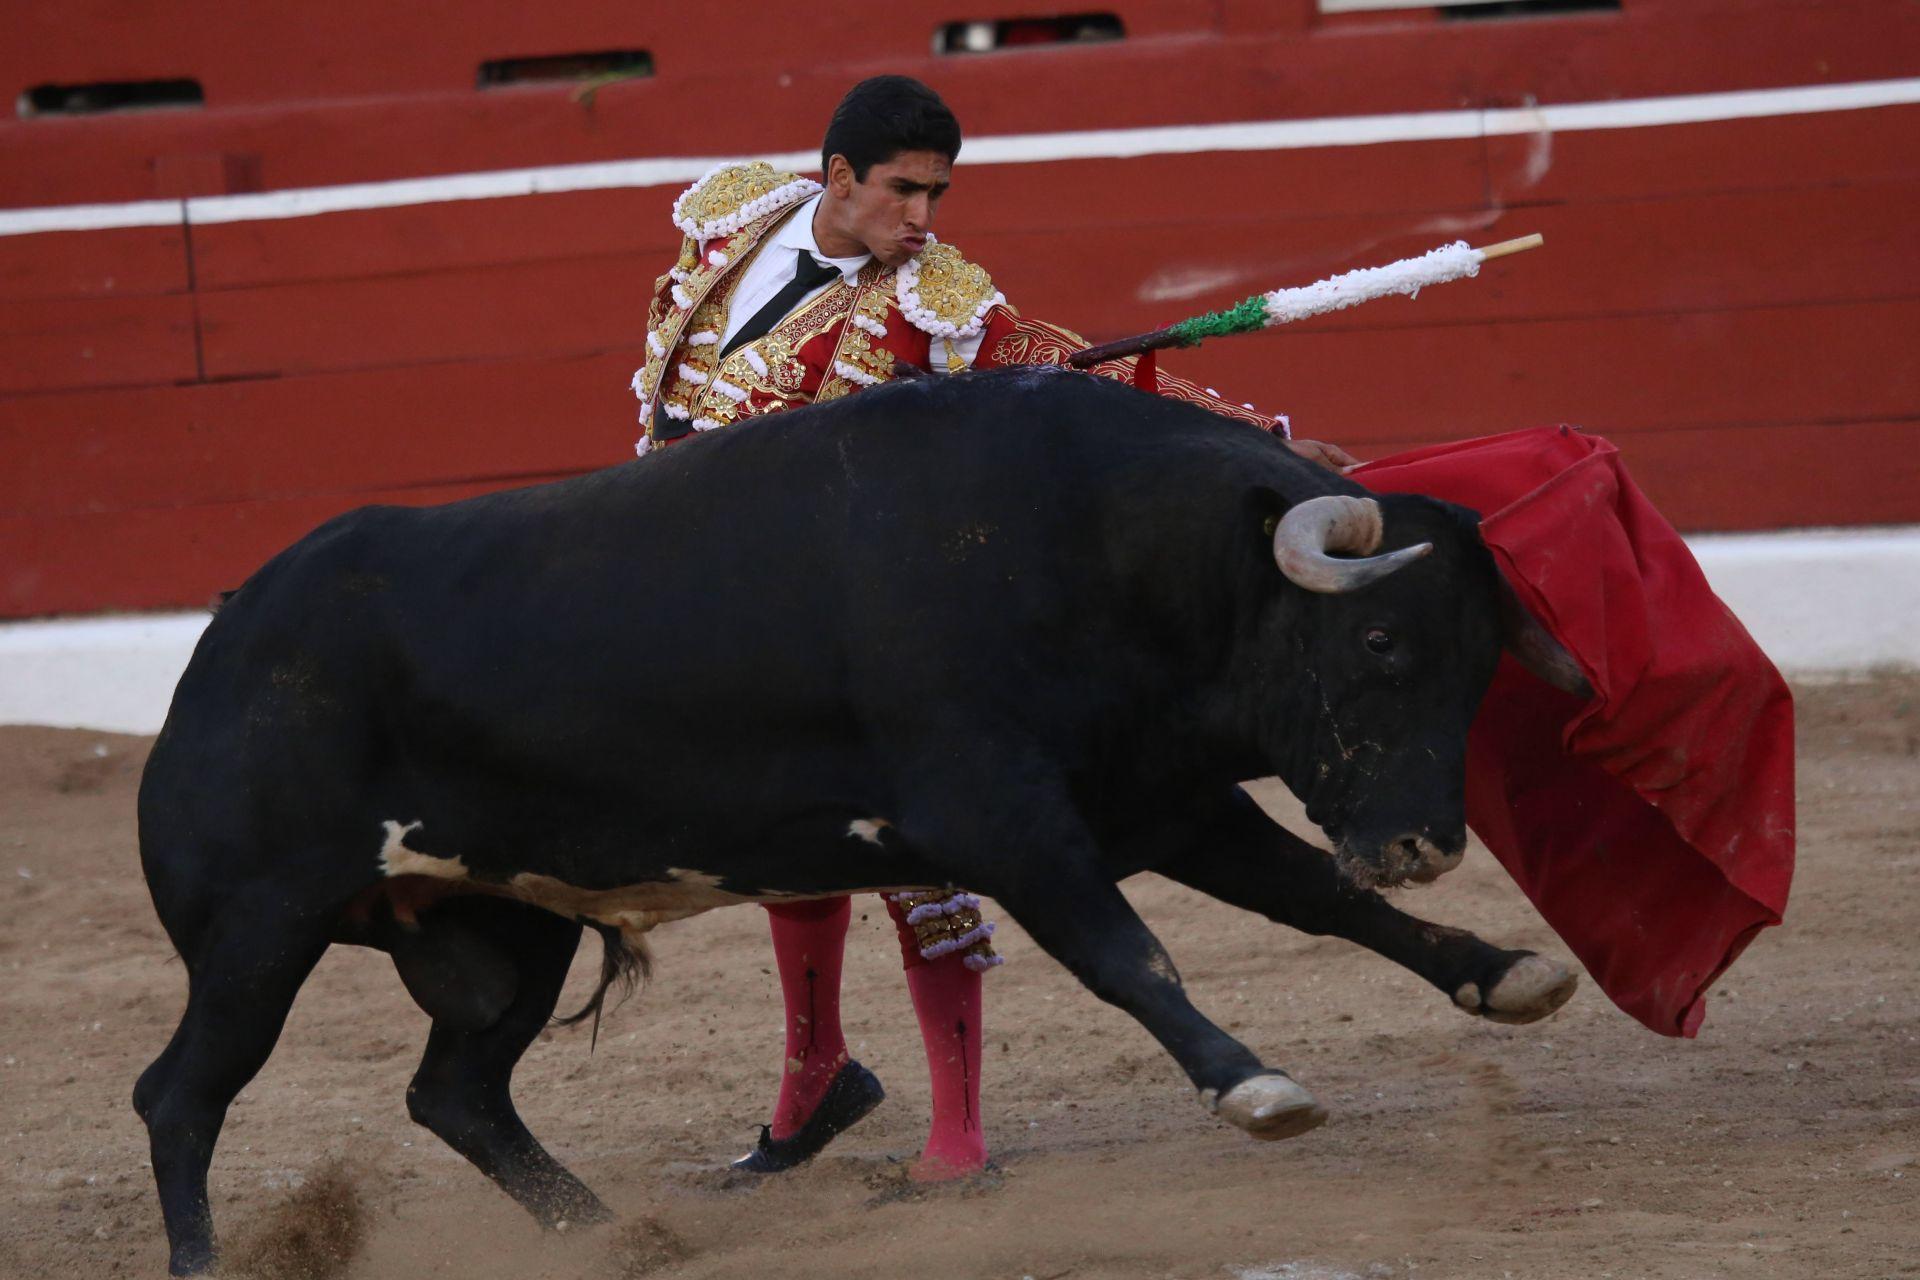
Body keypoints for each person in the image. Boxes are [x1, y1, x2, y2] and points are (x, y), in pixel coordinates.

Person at [629, 75, 1353, 1180]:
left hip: (853, 617)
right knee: (790, 835)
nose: (923, 217)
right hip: (713, 598)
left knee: (923, 853)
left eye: (938, 193)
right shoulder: (738, 217)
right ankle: (819, 1072)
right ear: (837, 178)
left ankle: (957, 1133)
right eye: (903, 190)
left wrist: (1255, 442)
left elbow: (1075, 378)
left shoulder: (939, 301)